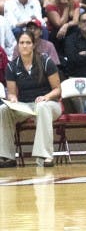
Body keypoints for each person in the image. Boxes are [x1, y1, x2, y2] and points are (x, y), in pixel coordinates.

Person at [0, 30, 61, 167]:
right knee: (3, 109)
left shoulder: (46, 61)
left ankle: (44, 156)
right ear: (17, 46)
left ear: (34, 45)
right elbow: (11, 93)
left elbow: (57, 90)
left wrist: (46, 97)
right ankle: (7, 157)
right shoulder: (11, 66)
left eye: (28, 42)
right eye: (21, 43)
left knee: (42, 106)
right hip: (26, 106)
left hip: (50, 105)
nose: (25, 46)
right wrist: (13, 98)